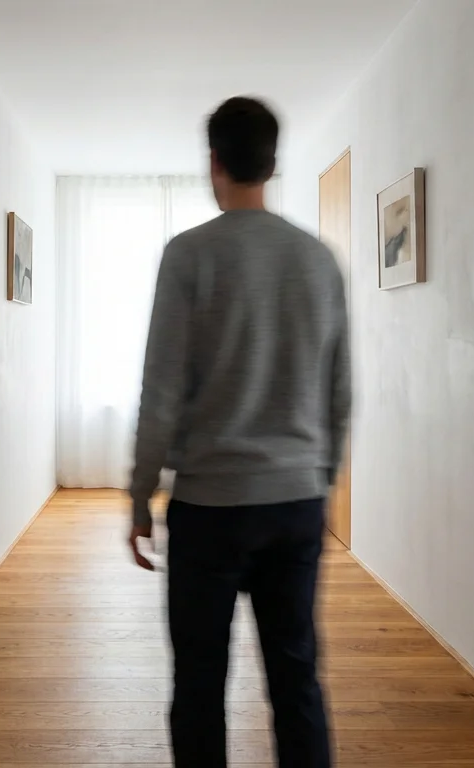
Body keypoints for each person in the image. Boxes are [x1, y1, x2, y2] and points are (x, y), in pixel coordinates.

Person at [127, 96, 351, 768]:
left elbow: (161, 391)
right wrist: (322, 480)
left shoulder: (189, 255)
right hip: (294, 504)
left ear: (214, 162)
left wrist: (140, 495)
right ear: (273, 163)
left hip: (210, 510)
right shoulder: (317, 260)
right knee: (296, 679)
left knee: (199, 680)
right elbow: (340, 392)